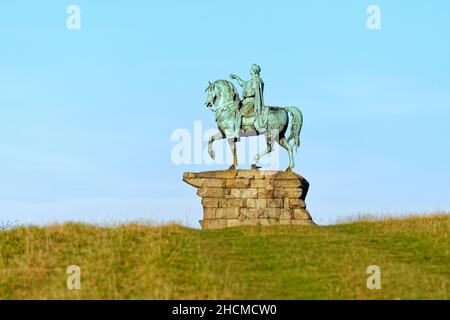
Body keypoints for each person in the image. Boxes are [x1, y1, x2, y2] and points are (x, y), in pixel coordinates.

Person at [230, 64, 268, 132]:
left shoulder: (257, 80)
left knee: (238, 113)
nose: (250, 70)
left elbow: (255, 91)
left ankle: (237, 130)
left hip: (252, 102)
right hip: (245, 101)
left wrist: (246, 94)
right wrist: (237, 78)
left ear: (253, 71)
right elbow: (243, 84)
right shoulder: (251, 80)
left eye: (251, 69)